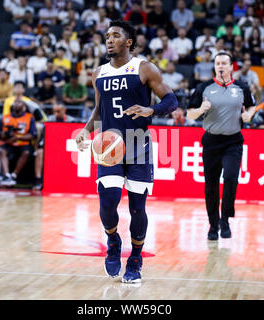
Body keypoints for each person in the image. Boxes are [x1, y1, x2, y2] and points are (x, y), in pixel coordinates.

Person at [75, 20, 178, 284]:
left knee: (136, 208)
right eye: (107, 36)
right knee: (107, 204)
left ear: (128, 42)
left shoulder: (144, 68)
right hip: (109, 146)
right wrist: (86, 130)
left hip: (137, 144)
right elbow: (100, 110)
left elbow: (171, 99)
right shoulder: (99, 73)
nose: (109, 40)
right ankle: (112, 241)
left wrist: (151, 110)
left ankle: (135, 258)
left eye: (115, 36)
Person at [186, 52, 256, 241]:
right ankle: (213, 224)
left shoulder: (242, 87)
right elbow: (189, 114)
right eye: (218, 63)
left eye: (225, 63)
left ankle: (225, 220)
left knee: (231, 178)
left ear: (232, 66)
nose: (221, 66)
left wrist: (249, 115)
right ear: (214, 66)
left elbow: (251, 106)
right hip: (211, 142)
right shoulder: (204, 88)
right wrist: (201, 109)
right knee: (211, 186)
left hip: (233, 141)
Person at [0, 99, 37, 186]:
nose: (16, 104)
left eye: (19, 102)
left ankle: (14, 175)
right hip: (9, 143)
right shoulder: (6, 117)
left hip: (23, 143)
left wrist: (18, 137)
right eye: (15, 102)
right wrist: (5, 134)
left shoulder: (29, 117)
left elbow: (33, 135)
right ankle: (6, 175)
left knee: (26, 152)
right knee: (1, 151)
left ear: (24, 106)